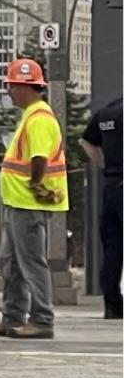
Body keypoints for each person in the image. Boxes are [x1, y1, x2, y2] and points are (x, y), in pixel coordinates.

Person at [0, 58, 68, 340]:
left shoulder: (39, 118)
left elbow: (39, 159)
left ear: (25, 87)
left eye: (12, 86)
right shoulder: (32, 115)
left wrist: (35, 184)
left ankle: (42, 319)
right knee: (10, 262)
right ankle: (12, 317)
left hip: (29, 203)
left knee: (31, 263)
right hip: (19, 202)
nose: (9, 91)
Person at [80, 96, 123, 320]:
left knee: (112, 249)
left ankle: (113, 305)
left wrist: (104, 165)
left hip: (111, 186)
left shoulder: (106, 112)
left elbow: (86, 141)